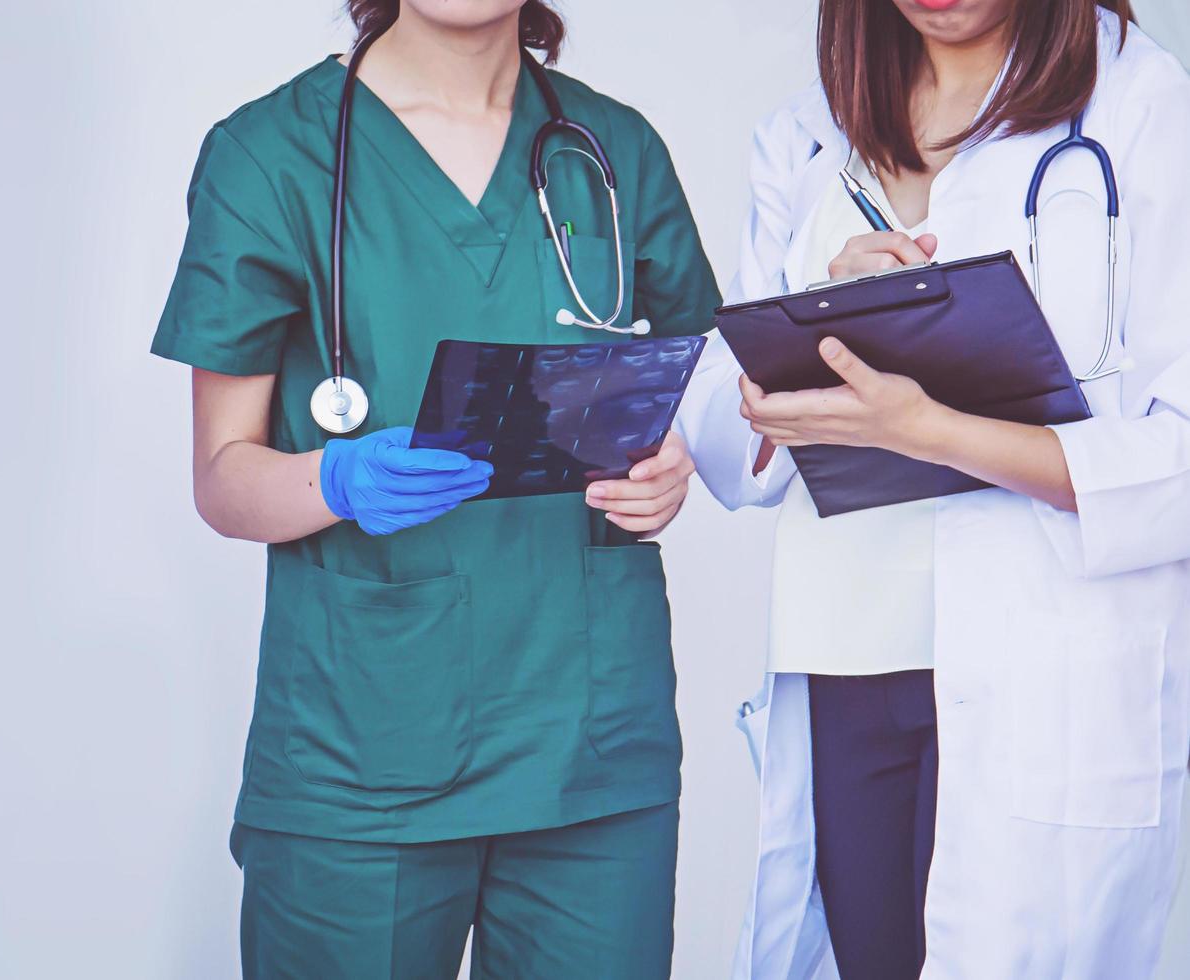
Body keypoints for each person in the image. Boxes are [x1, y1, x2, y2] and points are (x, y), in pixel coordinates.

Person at [151, 1, 725, 975]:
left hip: (588, 745)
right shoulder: (270, 156)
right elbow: (221, 476)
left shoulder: (611, 150)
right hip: (359, 749)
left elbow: (702, 385)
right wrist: (336, 477)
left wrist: (673, 462)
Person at [678, 0, 1190, 977]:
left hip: (1040, 670)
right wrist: (817, 313)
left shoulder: (1140, 108)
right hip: (845, 653)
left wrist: (935, 431)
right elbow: (720, 435)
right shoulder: (807, 133)